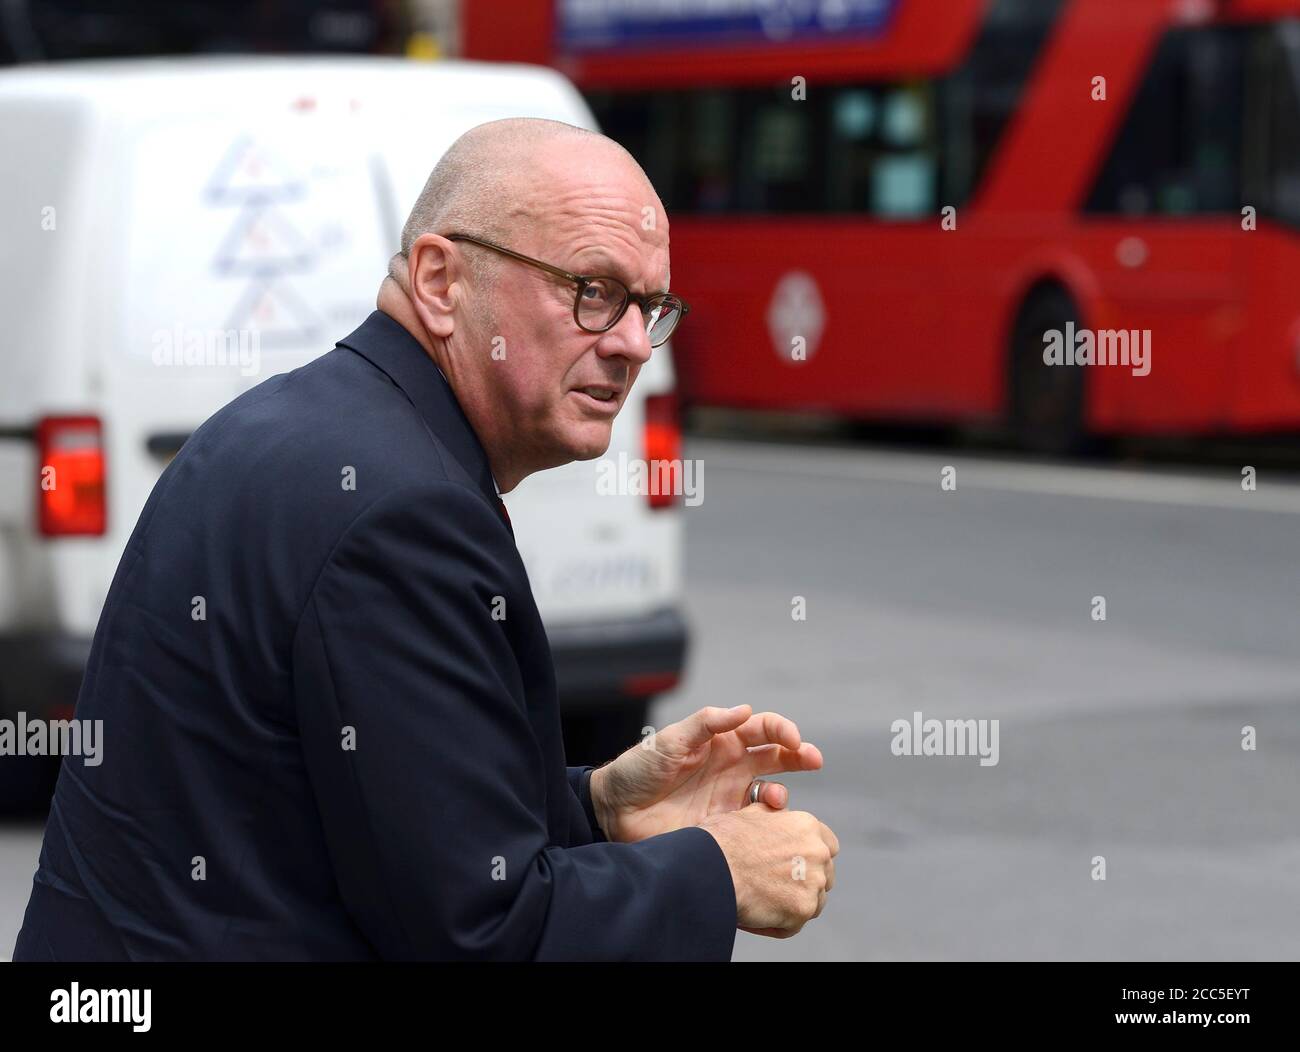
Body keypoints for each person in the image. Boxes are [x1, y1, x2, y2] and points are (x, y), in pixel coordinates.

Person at [13, 117, 837, 961]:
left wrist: (595, 807)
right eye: (592, 289)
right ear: (442, 280)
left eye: (650, 306)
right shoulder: (403, 512)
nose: (630, 342)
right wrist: (718, 872)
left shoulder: (295, 422)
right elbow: (479, 935)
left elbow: (373, 812)